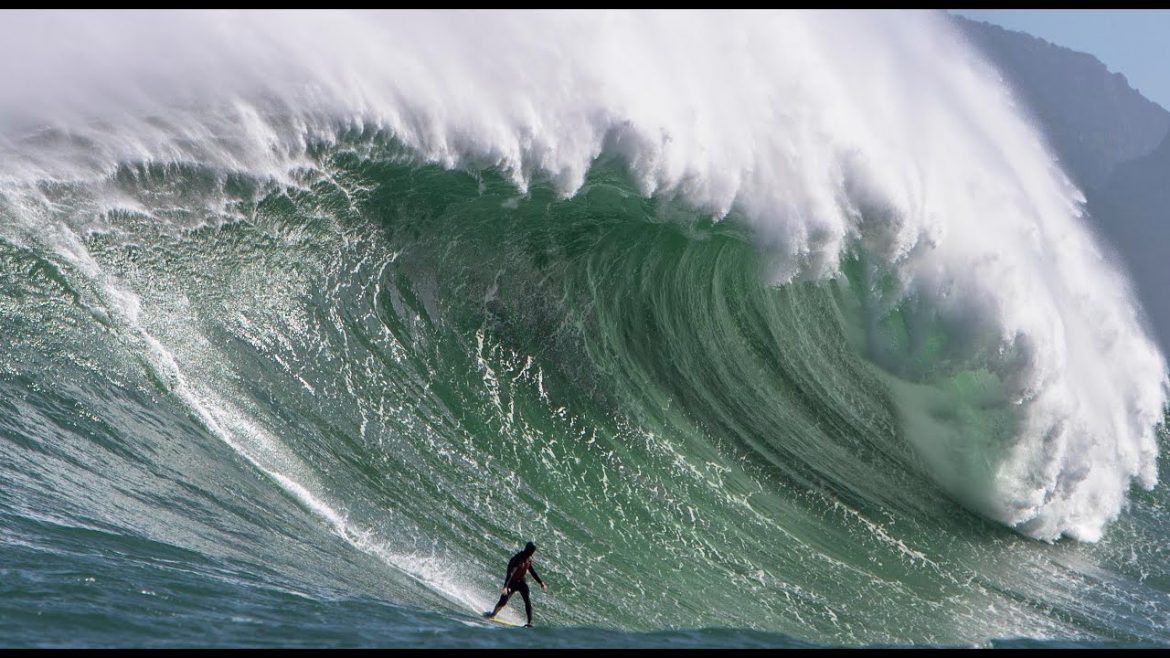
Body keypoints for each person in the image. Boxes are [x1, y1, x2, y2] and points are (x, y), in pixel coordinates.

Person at [484, 541, 548, 627]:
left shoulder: (528, 559)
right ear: (530, 550)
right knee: (503, 602)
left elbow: (532, 571)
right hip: (511, 583)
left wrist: (541, 582)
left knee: (527, 600)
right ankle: (493, 614)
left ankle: (529, 623)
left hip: (521, 582)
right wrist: (506, 586)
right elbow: (511, 573)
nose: (533, 553)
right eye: (533, 551)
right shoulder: (518, 559)